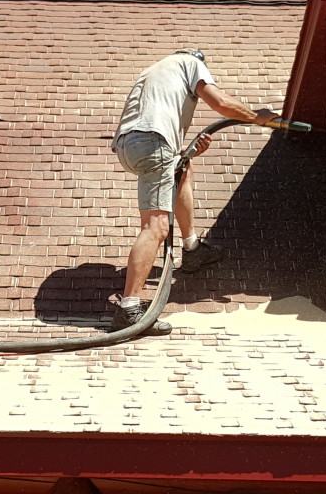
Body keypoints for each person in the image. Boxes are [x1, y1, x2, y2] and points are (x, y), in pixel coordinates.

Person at [110, 48, 280, 335]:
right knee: (156, 227)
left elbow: (159, 142)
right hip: (153, 141)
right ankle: (129, 309)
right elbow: (221, 103)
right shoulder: (190, 63)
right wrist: (256, 116)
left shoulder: (153, 72)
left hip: (131, 145)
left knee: (182, 169)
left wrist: (186, 152)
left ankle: (192, 248)